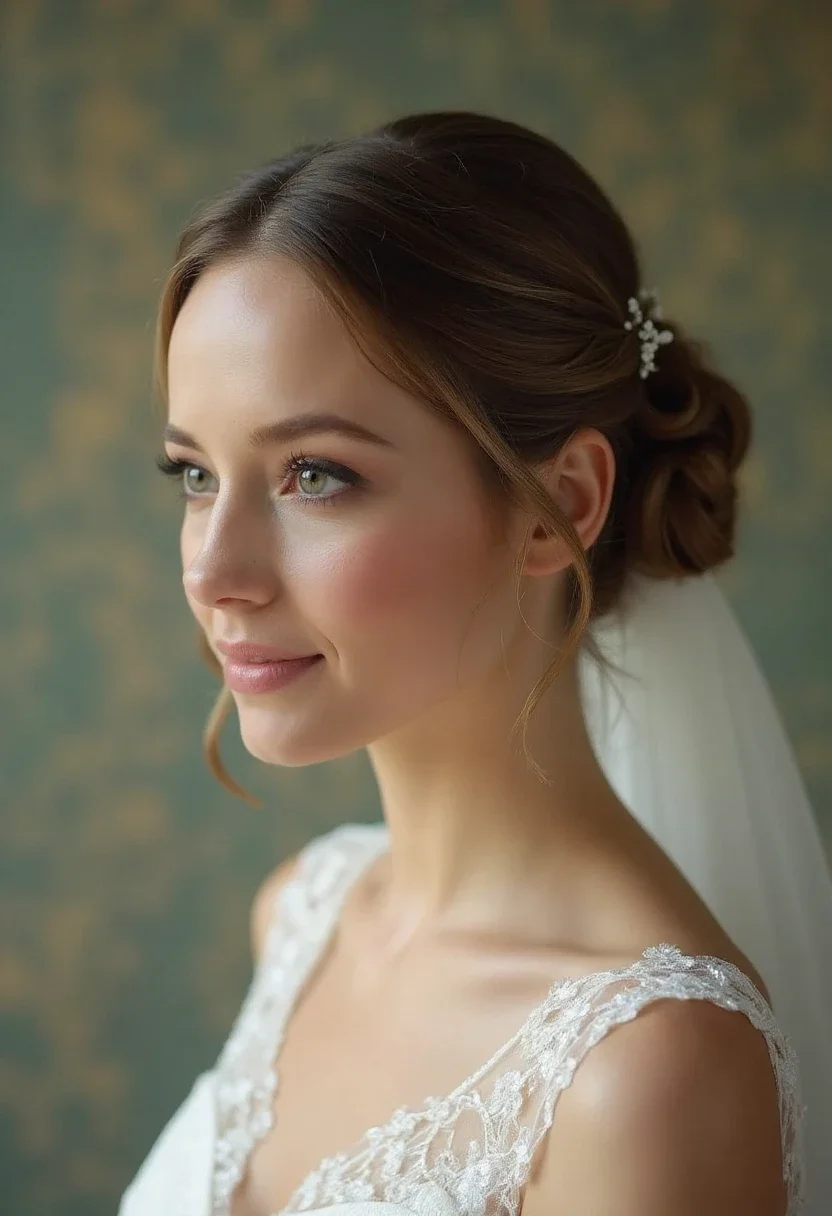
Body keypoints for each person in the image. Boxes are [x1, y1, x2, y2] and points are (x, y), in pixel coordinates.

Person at [118, 110, 832, 1216]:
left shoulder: (647, 1074)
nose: (215, 572)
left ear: (559, 505)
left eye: (314, 475)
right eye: (195, 474)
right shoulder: (303, 914)